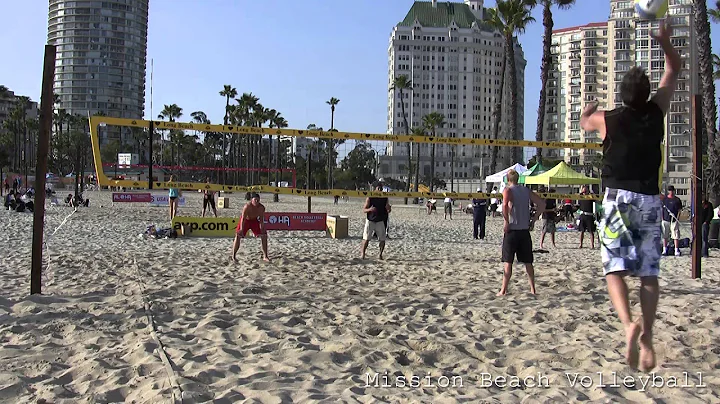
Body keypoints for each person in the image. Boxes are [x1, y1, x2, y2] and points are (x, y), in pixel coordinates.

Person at [579, 21, 678, 372]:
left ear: (621, 95)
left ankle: (627, 326)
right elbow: (673, 69)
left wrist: (585, 112)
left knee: (614, 272)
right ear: (646, 94)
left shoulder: (608, 119)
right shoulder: (657, 111)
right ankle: (647, 334)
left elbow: (585, 121)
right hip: (650, 200)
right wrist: (664, 42)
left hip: (616, 198)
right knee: (649, 274)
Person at [497, 169, 545, 296]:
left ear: (508, 180)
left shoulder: (508, 190)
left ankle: (503, 290)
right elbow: (541, 204)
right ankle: (533, 289)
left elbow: (504, 206)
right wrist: (533, 220)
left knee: (508, 262)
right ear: (518, 179)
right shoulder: (526, 190)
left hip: (512, 230)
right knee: (528, 262)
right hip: (524, 230)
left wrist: (506, 222)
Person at [231, 193, 270, 262]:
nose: (257, 202)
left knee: (264, 235)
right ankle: (233, 256)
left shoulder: (261, 208)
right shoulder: (247, 206)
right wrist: (241, 229)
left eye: (258, 200)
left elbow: (261, 219)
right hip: (246, 220)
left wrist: (262, 228)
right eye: (255, 200)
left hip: (254, 221)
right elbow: (243, 218)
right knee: (238, 235)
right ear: (252, 200)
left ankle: (265, 256)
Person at [361, 182, 391, 260]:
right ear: (375, 188)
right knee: (366, 238)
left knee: (382, 239)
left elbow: (388, 210)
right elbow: (364, 210)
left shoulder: (385, 197)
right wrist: (370, 209)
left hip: (380, 220)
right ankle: (363, 253)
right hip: (370, 220)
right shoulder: (370, 196)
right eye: (379, 188)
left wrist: (388, 208)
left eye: (381, 188)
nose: (380, 189)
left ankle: (380, 254)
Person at [661, 185, 682, 256]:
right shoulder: (665, 200)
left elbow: (679, 210)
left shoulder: (677, 200)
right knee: (665, 235)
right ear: (668, 191)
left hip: (674, 220)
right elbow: (661, 209)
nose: (671, 192)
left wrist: (677, 218)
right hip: (665, 219)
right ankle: (664, 250)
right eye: (670, 190)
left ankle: (676, 250)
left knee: (675, 235)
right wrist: (662, 218)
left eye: (672, 190)